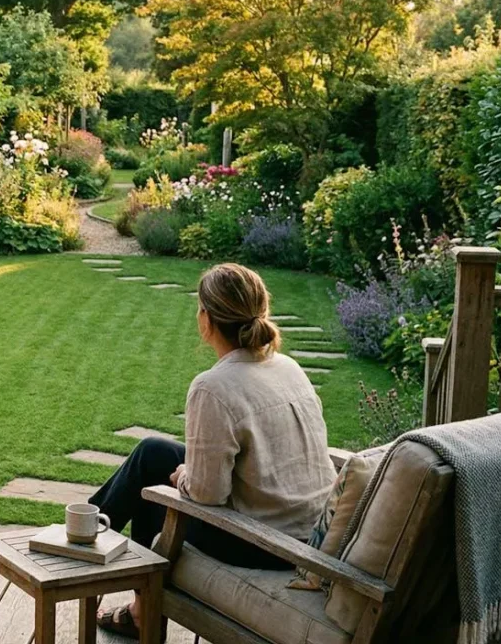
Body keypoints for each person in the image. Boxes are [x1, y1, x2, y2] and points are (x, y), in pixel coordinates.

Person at [94, 263, 336, 637]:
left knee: (155, 491)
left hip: (264, 543)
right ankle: (88, 533)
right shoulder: (288, 367)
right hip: (305, 530)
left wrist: (183, 477)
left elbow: (208, 494)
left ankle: (97, 558)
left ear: (205, 319)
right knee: (152, 453)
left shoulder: (214, 387)